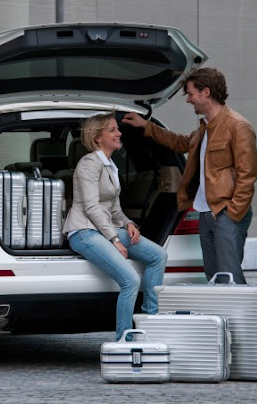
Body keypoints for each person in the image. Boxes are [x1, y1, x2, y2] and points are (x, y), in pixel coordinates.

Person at [123, 67, 257, 285]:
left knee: (230, 277)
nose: (188, 100)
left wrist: (231, 214)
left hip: (224, 213)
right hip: (206, 213)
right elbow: (180, 143)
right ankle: (220, 318)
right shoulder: (205, 128)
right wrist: (146, 126)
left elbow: (248, 176)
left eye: (190, 93)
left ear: (206, 92)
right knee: (214, 277)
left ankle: (238, 318)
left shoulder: (237, 126)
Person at [62, 111, 167, 341]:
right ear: (97, 138)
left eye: (117, 129)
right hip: (84, 231)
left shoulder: (110, 165)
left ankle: (150, 324)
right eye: (112, 130)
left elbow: (114, 209)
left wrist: (129, 224)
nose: (119, 133)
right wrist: (115, 239)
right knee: (130, 280)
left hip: (105, 228)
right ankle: (124, 340)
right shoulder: (89, 163)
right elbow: (91, 207)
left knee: (157, 256)